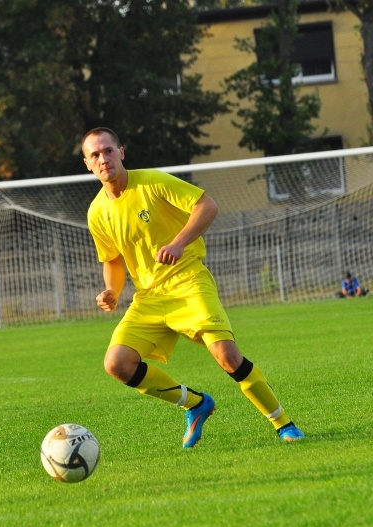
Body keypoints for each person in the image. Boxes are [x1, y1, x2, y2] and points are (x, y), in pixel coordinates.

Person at [82, 127, 304, 447]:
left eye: (108, 150)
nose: (103, 158)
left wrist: (178, 243)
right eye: (95, 154)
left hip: (188, 281)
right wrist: (112, 291)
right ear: (87, 164)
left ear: (121, 152)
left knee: (227, 356)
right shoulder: (96, 212)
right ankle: (196, 404)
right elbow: (113, 260)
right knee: (117, 364)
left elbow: (207, 206)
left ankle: (284, 425)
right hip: (148, 298)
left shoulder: (153, 182)